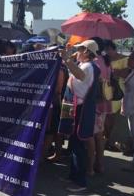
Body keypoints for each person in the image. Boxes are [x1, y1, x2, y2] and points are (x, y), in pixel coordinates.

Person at [59, 40, 100, 192]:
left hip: (80, 108)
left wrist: (67, 59)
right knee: (74, 144)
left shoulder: (89, 66)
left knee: (78, 145)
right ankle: (73, 176)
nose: (77, 52)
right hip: (76, 106)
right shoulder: (85, 64)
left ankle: (80, 182)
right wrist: (69, 58)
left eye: (80, 49)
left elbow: (79, 75)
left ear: (87, 51)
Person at [87, 37, 112, 175]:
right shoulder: (106, 61)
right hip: (105, 101)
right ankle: (100, 164)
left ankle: (91, 167)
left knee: (91, 136)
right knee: (99, 135)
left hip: (94, 102)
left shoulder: (94, 63)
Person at [103, 40, 130, 151]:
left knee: (114, 116)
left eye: (109, 49)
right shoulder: (104, 59)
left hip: (119, 90)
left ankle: (111, 140)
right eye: (106, 50)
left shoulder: (125, 59)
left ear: (114, 48)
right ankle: (108, 139)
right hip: (106, 89)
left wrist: (116, 73)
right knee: (107, 116)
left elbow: (127, 73)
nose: (107, 52)